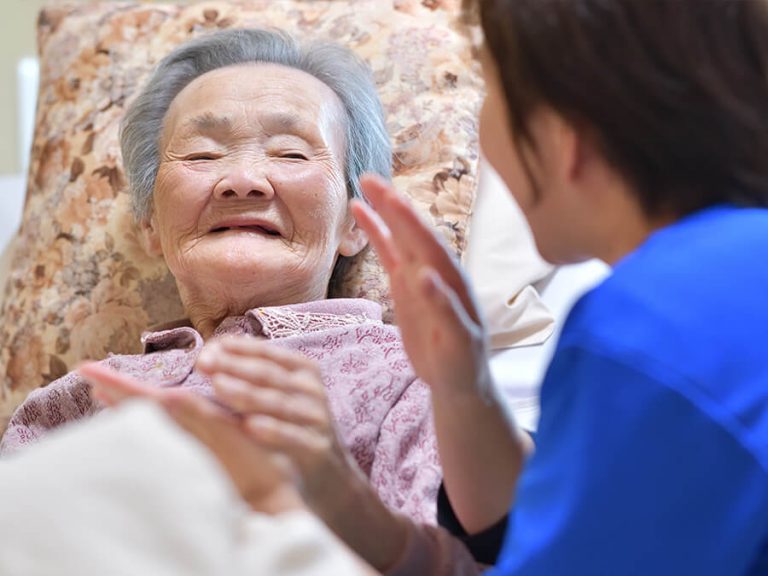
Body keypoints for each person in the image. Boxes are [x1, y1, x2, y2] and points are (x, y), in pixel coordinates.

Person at [0, 28, 481, 573]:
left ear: (354, 222)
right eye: (203, 154)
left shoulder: (414, 378)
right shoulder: (72, 402)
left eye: (292, 151)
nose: (244, 180)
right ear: (151, 227)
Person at [353, 0, 768, 573]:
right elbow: (588, 527)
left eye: (489, 88)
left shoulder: (642, 326)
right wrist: (462, 385)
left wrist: (330, 507)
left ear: (565, 133)